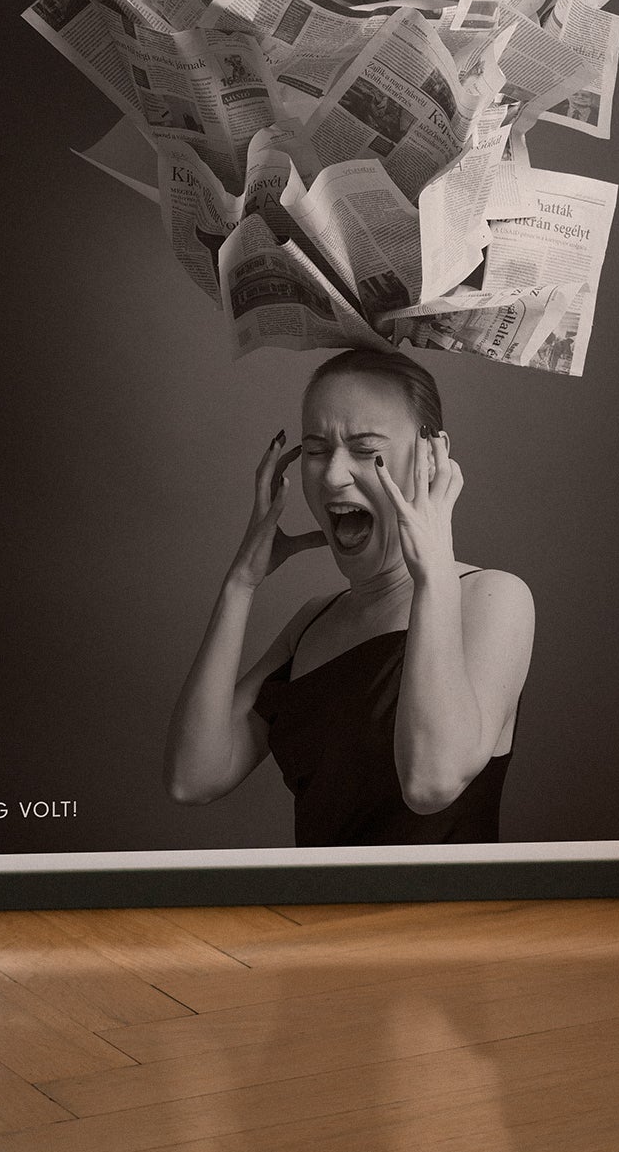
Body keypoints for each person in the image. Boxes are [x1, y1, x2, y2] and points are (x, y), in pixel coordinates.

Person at [166, 346, 532, 845]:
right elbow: (193, 778)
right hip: (317, 918)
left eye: (364, 449)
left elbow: (430, 782)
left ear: (430, 456)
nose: (334, 475)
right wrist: (240, 583)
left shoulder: (494, 596)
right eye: (316, 450)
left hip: (445, 921)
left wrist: (433, 577)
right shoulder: (312, 625)